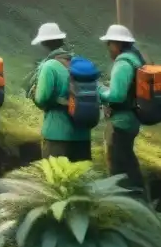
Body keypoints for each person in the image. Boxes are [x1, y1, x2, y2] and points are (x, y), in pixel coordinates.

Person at [29, 22, 92, 162]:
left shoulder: (49, 66)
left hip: (56, 136)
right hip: (82, 135)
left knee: (56, 181)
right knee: (80, 181)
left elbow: (41, 98)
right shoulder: (80, 63)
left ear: (45, 43)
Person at [97, 24, 144, 191]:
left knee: (117, 167)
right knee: (128, 161)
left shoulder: (123, 63)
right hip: (132, 119)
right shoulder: (135, 59)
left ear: (116, 44)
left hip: (121, 123)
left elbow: (117, 96)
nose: (108, 48)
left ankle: (123, 202)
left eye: (109, 44)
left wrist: (100, 90)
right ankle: (138, 196)